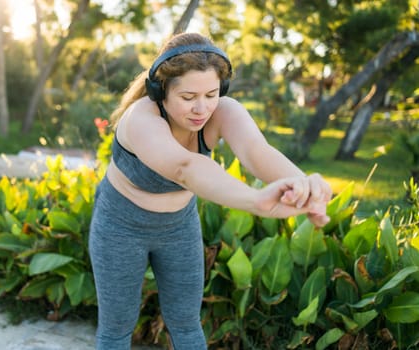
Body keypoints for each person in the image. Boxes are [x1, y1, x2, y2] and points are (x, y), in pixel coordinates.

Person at [89, 32, 332, 350]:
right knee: (117, 328)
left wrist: (305, 184)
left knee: (186, 323)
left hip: (178, 228)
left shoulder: (223, 112)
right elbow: (184, 168)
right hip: (120, 227)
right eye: (188, 97)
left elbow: (257, 152)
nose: (201, 109)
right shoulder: (141, 119)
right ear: (160, 90)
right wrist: (255, 200)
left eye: (211, 94)